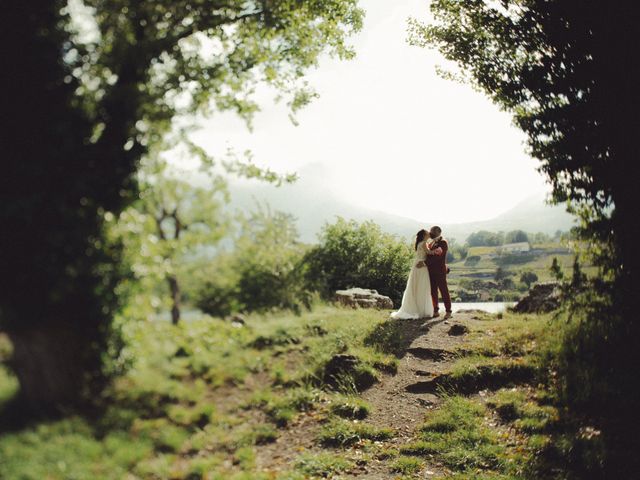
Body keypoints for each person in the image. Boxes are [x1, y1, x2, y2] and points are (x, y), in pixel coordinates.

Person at [390, 229, 435, 319]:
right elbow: (429, 252)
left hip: (417, 264)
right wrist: (437, 250)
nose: (429, 235)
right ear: (424, 236)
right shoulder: (424, 243)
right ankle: (422, 309)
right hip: (422, 266)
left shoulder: (419, 243)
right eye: (427, 234)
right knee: (422, 285)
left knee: (416, 285)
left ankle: (417, 308)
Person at [424, 225, 452, 319]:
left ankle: (448, 311)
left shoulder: (443, 242)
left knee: (444, 290)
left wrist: (424, 263)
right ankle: (435, 310)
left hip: (440, 271)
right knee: (433, 291)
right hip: (431, 271)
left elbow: (437, 257)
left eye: (432, 231)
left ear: (438, 232)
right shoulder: (431, 243)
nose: (430, 233)